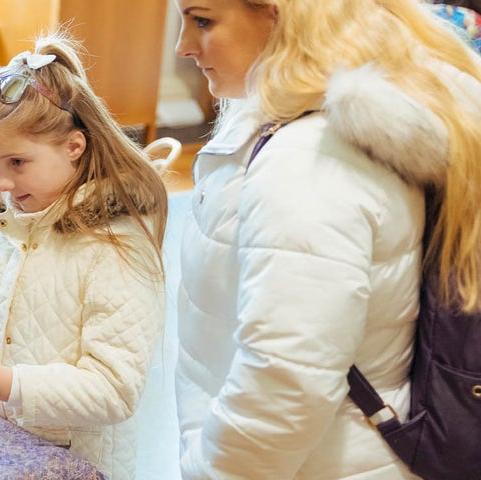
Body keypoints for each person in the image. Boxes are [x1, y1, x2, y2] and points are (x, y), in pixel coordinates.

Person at [173, 0, 481, 478]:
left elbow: (283, 386)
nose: (183, 46)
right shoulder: (311, 126)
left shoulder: (309, 160)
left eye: (202, 20)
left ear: (280, 13)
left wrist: (208, 471)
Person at [0, 32, 168, 480]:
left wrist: (4, 383)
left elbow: (115, 391)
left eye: (17, 162)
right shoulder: (2, 229)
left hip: (76, 465)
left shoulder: (117, 246)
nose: (3, 183)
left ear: (74, 147)